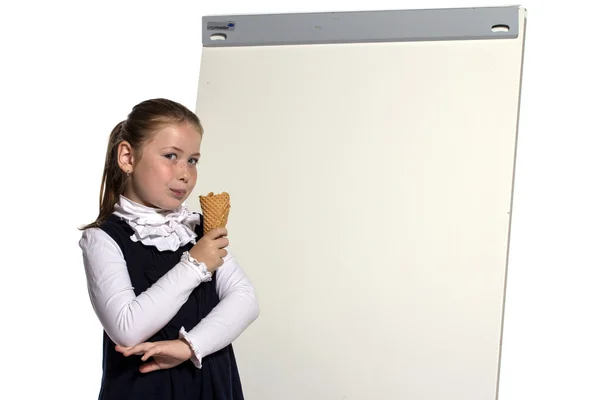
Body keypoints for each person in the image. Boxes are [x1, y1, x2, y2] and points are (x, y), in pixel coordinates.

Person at [78, 98, 259, 399]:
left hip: (211, 386)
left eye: (192, 160)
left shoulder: (197, 229)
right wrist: (195, 266)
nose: (185, 173)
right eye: (171, 156)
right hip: (146, 390)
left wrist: (189, 347)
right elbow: (126, 327)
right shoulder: (103, 239)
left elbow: (245, 299)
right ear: (127, 156)